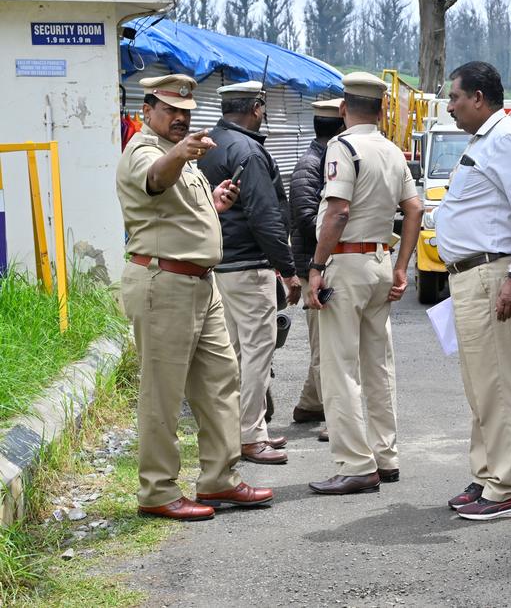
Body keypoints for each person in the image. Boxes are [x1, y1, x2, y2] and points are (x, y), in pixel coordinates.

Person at [117, 74, 272, 521]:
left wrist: (215, 201)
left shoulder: (180, 157)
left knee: (221, 379)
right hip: (164, 282)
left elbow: (176, 206)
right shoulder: (145, 151)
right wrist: (179, 154)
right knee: (162, 392)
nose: (180, 119)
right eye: (170, 111)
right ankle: (157, 490)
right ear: (147, 111)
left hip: (201, 284)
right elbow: (154, 178)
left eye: (185, 113)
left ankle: (219, 477)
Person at [435, 61, 511, 520]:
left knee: (499, 384)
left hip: (490, 276)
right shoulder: (484, 141)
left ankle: (510, 488)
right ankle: (486, 476)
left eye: (455, 97)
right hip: (470, 276)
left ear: (478, 97)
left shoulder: (506, 139)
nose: (450, 106)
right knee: (481, 385)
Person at [305, 73, 422, 496]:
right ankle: (385, 456)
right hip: (379, 262)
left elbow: (336, 211)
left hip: (347, 263)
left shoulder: (343, 146)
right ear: (379, 110)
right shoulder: (392, 150)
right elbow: (414, 208)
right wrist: (402, 265)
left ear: (343, 109)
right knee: (378, 365)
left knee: (340, 369)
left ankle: (356, 464)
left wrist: (316, 266)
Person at [199, 81, 299, 466]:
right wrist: (288, 271)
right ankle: (251, 436)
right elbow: (265, 216)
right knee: (258, 352)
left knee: (236, 355)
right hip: (249, 267)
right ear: (257, 108)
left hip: (218, 264)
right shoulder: (249, 150)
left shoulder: (209, 144)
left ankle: (242, 429)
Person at [289, 99, 345, 437]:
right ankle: (334, 416)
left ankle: (310, 405)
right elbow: (309, 219)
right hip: (315, 265)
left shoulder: (322, 160)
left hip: (319, 263)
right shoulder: (311, 166)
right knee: (325, 345)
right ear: (339, 128)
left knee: (323, 340)